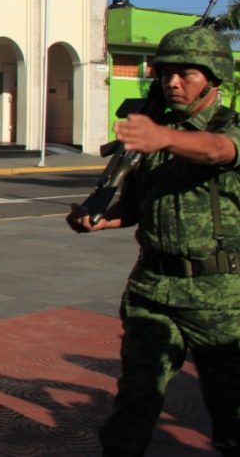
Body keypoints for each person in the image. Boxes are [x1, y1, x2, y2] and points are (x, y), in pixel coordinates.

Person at [66, 25, 240, 457]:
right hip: (152, 288)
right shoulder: (154, 138)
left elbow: (219, 151)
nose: (173, 83)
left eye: (186, 74)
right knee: (134, 400)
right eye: (165, 74)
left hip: (219, 297)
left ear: (214, 78)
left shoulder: (227, 130)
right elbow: (140, 207)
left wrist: (162, 137)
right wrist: (102, 219)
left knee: (232, 410)